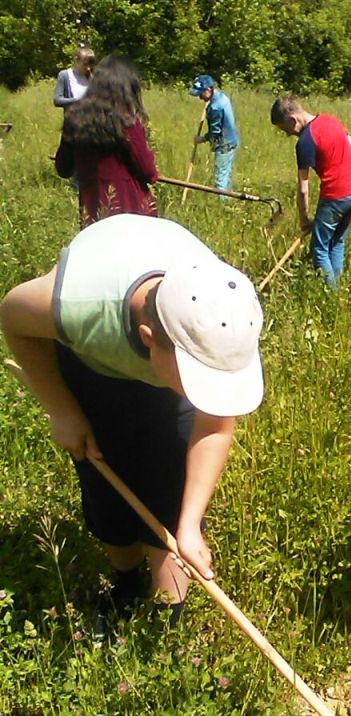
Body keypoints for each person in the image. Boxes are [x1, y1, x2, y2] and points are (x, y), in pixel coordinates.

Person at [0, 213, 264, 644]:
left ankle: (165, 636)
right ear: (147, 339)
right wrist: (62, 411)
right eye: (198, 379)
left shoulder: (222, 319)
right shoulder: (78, 307)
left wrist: (190, 523)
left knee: (169, 499)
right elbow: (12, 317)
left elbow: (216, 424)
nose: (206, 393)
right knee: (107, 490)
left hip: (158, 356)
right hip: (93, 365)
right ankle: (124, 586)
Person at [271, 95, 351, 287]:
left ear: (292, 119)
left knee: (319, 249)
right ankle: (336, 286)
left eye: (285, 129)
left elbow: (303, 188)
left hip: (335, 196)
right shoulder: (331, 120)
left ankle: (330, 296)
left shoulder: (305, 141)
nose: (288, 134)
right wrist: (341, 172)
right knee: (336, 242)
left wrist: (304, 220)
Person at [55, 54, 158, 228]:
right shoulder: (126, 122)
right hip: (131, 213)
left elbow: (63, 168)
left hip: (93, 215)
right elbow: (148, 172)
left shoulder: (74, 119)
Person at [189, 74, 239, 193]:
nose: (200, 98)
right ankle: (228, 203)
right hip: (232, 141)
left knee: (220, 181)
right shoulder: (222, 97)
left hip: (223, 145)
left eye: (200, 93)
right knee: (226, 176)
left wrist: (201, 139)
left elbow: (215, 133)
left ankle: (222, 206)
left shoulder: (215, 107)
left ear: (208, 90)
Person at [53, 44, 96, 109]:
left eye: (90, 65)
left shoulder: (93, 76)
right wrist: (79, 101)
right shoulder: (64, 75)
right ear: (76, 60)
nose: (88, 68)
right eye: (85, 64)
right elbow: (57, 100)